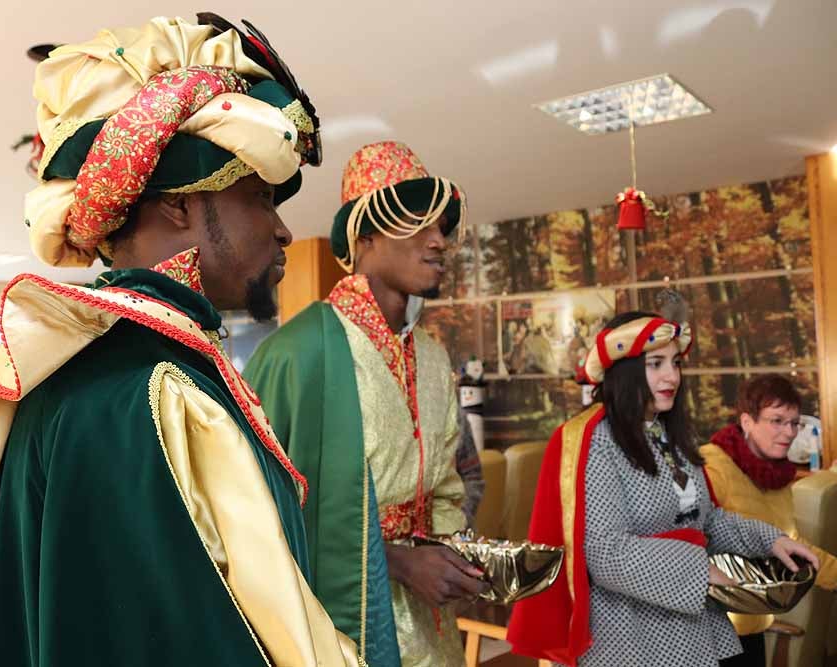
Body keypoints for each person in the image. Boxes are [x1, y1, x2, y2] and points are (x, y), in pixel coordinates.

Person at [0, 14, 361, 666]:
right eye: (258, 197)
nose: (281, 231)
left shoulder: (97, 365)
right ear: (179, 204)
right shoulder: (158, 390)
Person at [245, 141, 486, 667]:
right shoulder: (297, 353)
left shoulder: (432, 355)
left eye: (442, 227)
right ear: (366, 235)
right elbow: (259, 519)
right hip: (343, 631)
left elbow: (449, 485)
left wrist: (455, 556)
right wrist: (396, 564)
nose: (438, 241)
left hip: (433, 628)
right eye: (417, 223)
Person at [507, 311, 818, 666]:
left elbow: (707, 521)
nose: (672, 376)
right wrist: (701, 572)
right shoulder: (595, 441)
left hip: (701, 630)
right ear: (624, 371)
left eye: (675, 362)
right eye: (656, 364)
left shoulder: (668, 433)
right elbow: (605, 552)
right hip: (631, 640)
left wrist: (772, 540)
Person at [702, 374, 837, 666]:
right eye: (777, 421)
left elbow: (790, 543)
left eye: (794, 423)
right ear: (747, 421)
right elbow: (691, 542)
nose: (788, 432)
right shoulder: (713, 467)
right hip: (712, 627)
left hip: (754, 622)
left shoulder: (777, 475)